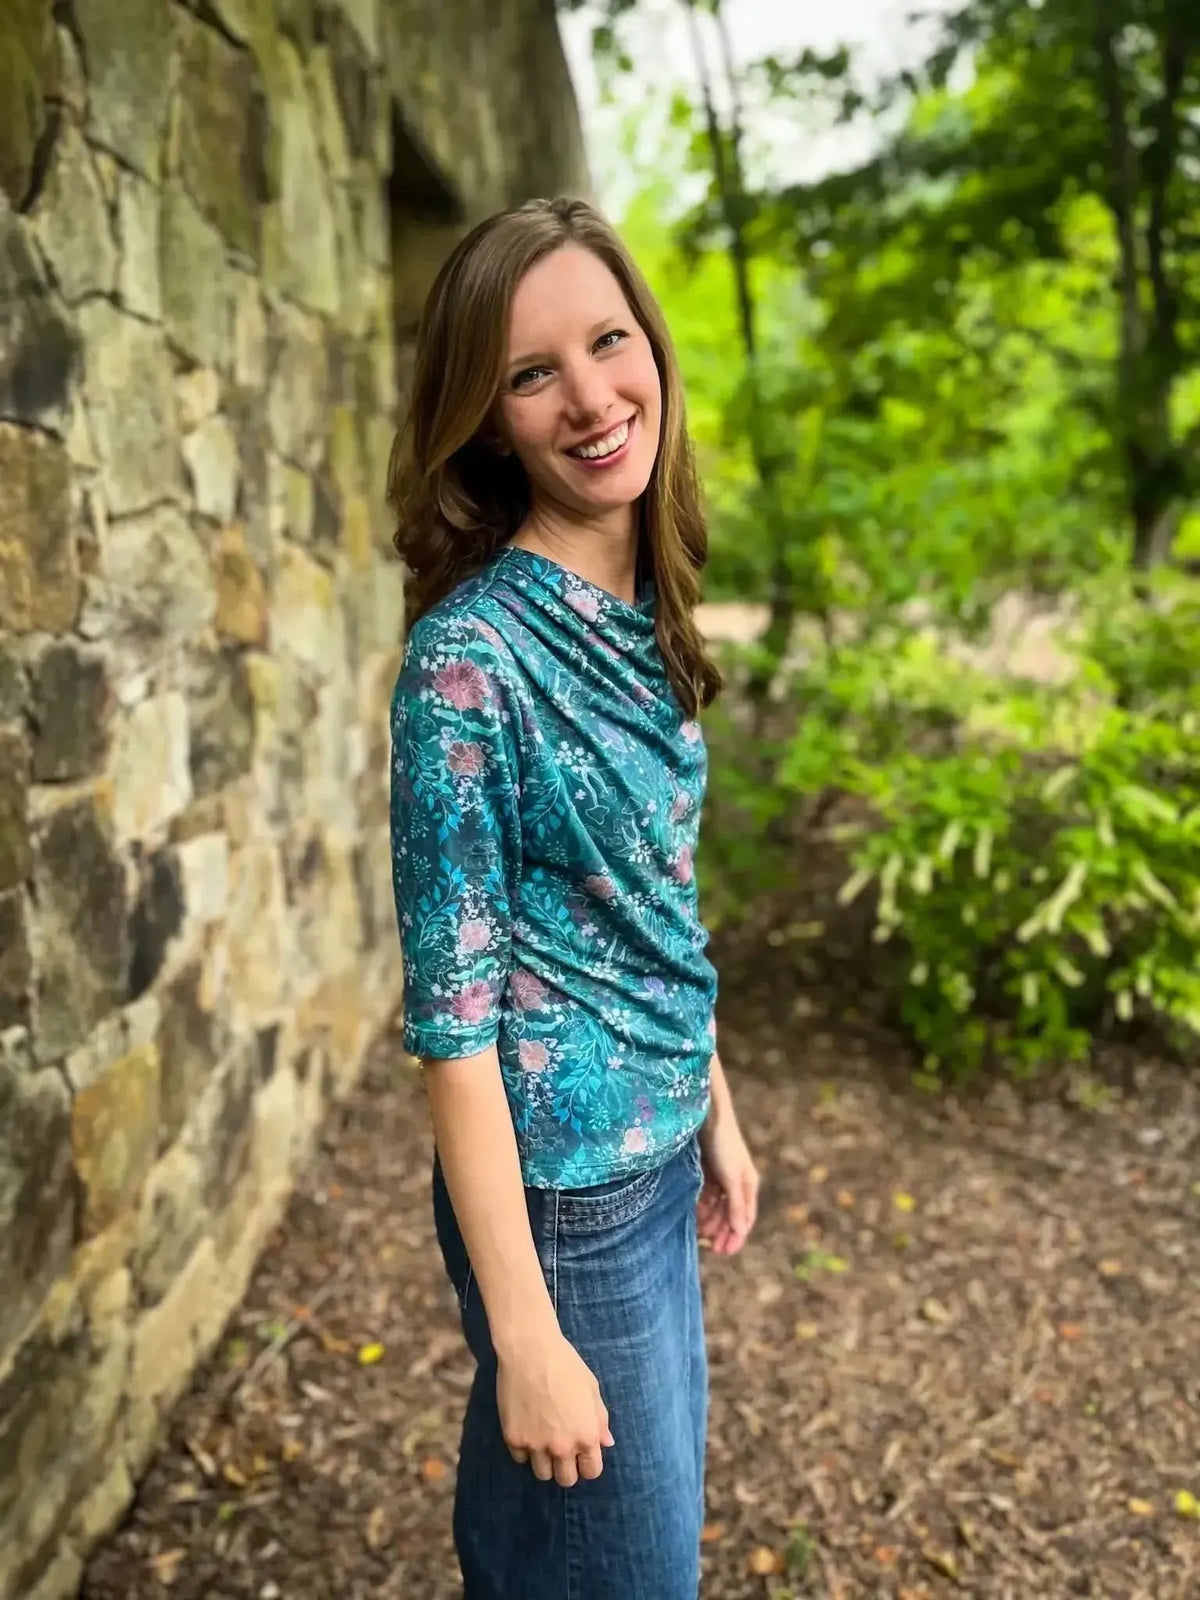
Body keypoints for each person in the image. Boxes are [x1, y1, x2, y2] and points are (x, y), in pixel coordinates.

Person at [386, 195, 760, 1600]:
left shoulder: (641, 601)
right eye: (532, 372)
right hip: (563, 1207)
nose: (593, 397)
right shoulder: (471, 667)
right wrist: (527, 1335)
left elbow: (648, 893)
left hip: (652, 1161)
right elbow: (452, 1029)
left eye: (609, 341)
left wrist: (711, 1105)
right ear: (486, 417)